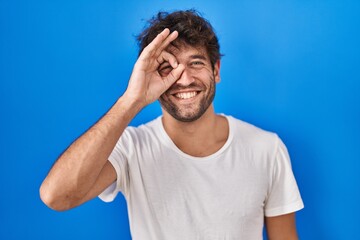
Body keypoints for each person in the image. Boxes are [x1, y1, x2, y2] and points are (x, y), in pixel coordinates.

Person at [40, 9, 304, 240]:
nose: (184, 79)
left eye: (196, 63)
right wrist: (131, 101)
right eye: (168, 67)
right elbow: (57, 196)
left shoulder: (266, 148)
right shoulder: (131, 147)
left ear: (216, 70)